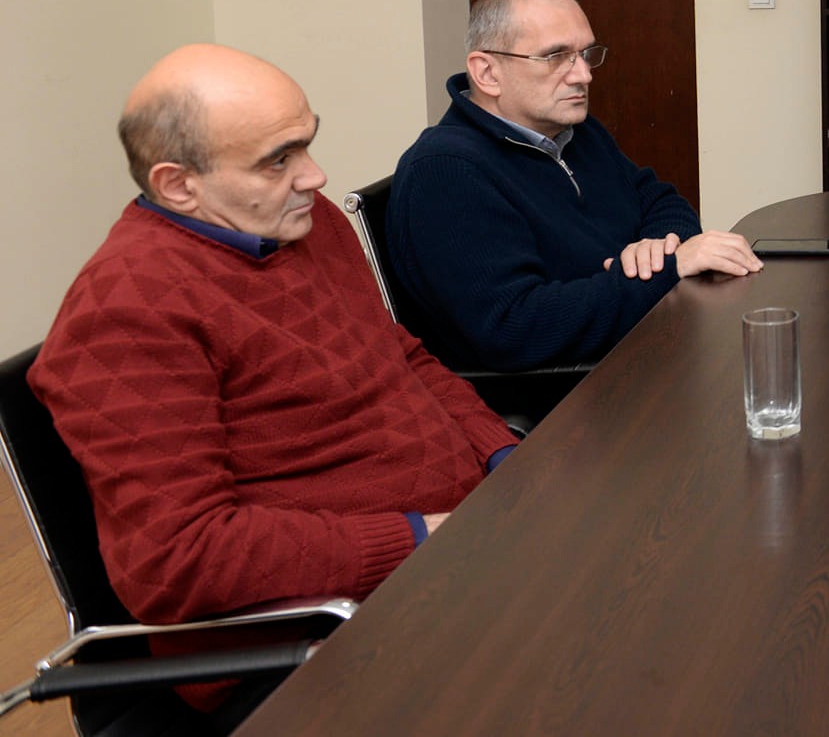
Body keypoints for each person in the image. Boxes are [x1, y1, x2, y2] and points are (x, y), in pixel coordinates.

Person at [29, 46, 518, 654]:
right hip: (315, 636)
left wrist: (503, 456)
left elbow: (402, 359)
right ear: (178, 185)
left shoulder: (306, 227)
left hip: (451, 552)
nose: (315, 176)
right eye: (278, 160)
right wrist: (421, 535)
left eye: (307, 144)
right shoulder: (127, 311)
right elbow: (180, 561)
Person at [387, 0, 759, 371]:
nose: (583, 75)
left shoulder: (574, 132)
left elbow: (661, 199)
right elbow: (514, 328)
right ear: (487, 73)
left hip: (633, 352)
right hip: (563, 400)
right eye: (556, 56)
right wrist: (666, 270)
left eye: (585, 54)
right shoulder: (446, 172)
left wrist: (655, 248)